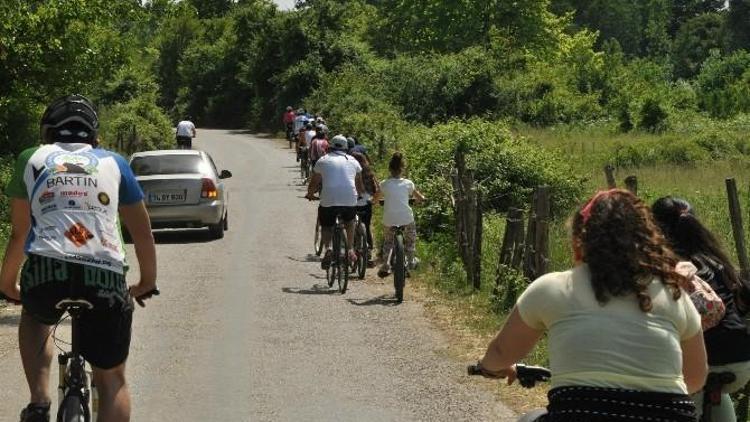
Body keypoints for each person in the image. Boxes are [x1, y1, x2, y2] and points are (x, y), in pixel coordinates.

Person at [477, 189, 706, 421]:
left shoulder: (552, 288)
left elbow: (500, 353)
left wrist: (488, 367)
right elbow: (696, 376)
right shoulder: (673, 292)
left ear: (580, 239)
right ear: (647, 240)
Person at [0, 95, 158, 422]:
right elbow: (142, 233)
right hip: (104, 274)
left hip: (46, 270)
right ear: (94, 136)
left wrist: (7, 285)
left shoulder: (32, 158)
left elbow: (19, 233)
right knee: (112, 379)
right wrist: (146, 282)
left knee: (34, 314)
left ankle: (39, 403)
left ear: (47, 133)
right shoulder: (116, 163)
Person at [653, 197, 750, 421]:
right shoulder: (717, 261)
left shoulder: (666, 268)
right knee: (715, 388)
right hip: (740, 364)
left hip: (697, 367)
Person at [306, 135, 364, 269]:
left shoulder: (323, 160)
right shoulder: (353, 160)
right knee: (350, 222)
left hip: (329, 198)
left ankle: (328, 248)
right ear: (346, 148)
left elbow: (314, 182)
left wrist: (310, 194)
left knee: (326, 225)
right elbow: (359, 184)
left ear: (330, 146)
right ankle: (350, 249)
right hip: (349, 198)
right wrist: (359, 195)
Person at [376, 153, 425, 278]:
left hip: (389, 219)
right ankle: (410, 261)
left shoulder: (384, 184)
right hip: (406, 218)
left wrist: (374, 202)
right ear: (402, 169)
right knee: (410, 240)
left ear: (390, 169)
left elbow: (376, 198)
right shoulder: (408, 183)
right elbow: (419, 197)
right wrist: (421, 199)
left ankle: (386, 264)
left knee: (388, 242)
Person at [350, 152, 379, 266]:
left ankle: (351, 248)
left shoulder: (351, 170)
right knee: (366, 225)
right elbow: (375, 187)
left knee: (350, 224)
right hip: (367, 201)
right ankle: (369, 250)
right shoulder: (368, 170)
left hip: (354, 201)